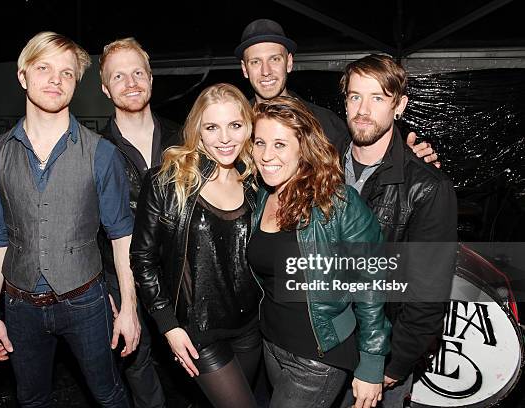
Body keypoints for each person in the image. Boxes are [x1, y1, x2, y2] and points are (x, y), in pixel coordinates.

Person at [0, 32, 137, 407]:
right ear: (23, 75)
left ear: (76, 84)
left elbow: (122, 236)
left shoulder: (103, 155)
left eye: (67, 73)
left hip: (86, 302)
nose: (55, 79)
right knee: (31, 399)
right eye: (44, 68)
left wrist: (129, 309)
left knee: (109, 394)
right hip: (19, 307)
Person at [249, 96, 391, 408]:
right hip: (272, 345)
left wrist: (371, 363)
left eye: (280, 144)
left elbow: (372, 284)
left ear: (304, 147)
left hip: (317, 358)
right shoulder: (262, 196)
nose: (266, 155)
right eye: (259, 143)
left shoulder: (337, 202)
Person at [130, 83, 262, 408]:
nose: (225, 138)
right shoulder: (167, 180)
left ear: (248, 126)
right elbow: (142, 260)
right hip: (197, 332)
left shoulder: (258, 180)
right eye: (212, 127)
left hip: (251, 326)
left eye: (235, 125)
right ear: (198, 131)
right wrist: (168, 327)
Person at [339, 54, 457, 407]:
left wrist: (394, 364)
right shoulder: (321, 169)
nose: (363, 109)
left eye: (378, 98)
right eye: (355, 96)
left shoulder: (427, 187)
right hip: (324, 350)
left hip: (382, 356)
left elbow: (429, 293)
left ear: (399, 105)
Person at [98, 37, 181, 408]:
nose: (130, 83)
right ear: (104, 88)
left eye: (137, 72)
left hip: (181, 272)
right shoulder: (95, 151)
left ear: (151, 77)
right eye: (119, 76)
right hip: (122, 275)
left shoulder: (186, 138)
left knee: (196, 359)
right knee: (137, 360)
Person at [235, 18, 437, 161]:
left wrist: (405, 159)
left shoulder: (323, 123)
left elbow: (361, 159)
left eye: (275, 59)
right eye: (255, 62)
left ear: (289, 62)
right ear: (245, 69)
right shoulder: (234, 125)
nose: (266, 71)